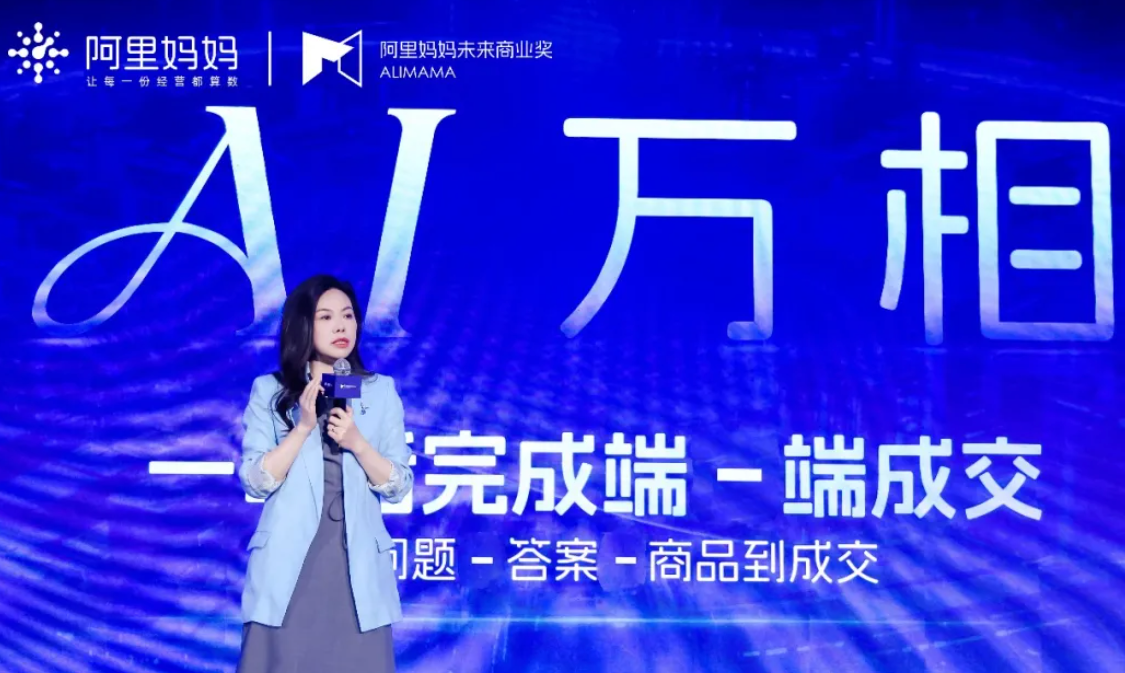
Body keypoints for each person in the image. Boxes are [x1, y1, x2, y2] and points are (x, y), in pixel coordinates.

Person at [236, 274, 414, 673]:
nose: (341, 326)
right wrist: (302, 428)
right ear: (303, 326)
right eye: (326, 317)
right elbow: (256, 480)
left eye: (348, 316)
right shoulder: (270, 390)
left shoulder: (380, 391)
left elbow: (399, 485)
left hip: (357, 569)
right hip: (289, 566)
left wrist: (357, 443)